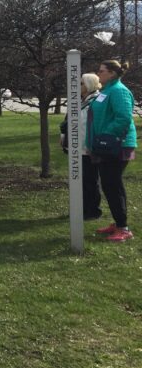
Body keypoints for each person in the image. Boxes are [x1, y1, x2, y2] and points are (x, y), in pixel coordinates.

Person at [88, 60, 136, 242]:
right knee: (109, 185)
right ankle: (118, 223)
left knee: (113, 185)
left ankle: (123, 228)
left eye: (101, 71)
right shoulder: (107, 90)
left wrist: (106, 135)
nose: (98, 74)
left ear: (112, 73)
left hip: (118, 145)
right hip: (105, 144)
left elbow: (123, 118)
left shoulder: (119, 91)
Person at [60, 73, 102, 219]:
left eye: (81, 83)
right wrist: (63, 136)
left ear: (89, 85)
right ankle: (80, 209)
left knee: (90, 180)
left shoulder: (97, 100)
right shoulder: (76, 100)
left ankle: (93, 211)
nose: (78, 86)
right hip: (75, 146)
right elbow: (67, 122)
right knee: (78, 180)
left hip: (88, 147)